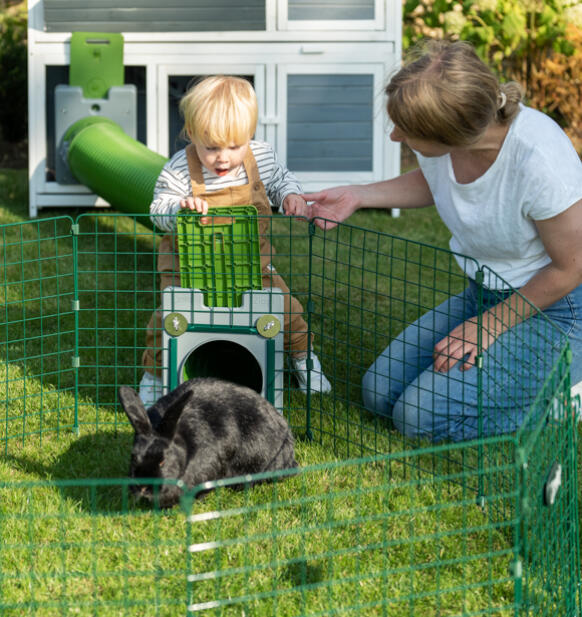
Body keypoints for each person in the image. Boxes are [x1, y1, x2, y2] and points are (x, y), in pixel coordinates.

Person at [302, 40, 582, 443]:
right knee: (380, 394)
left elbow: (571, 267)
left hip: (556, 308)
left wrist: (487, 327)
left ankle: (562, 398)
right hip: (484, 292)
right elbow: (441, 181)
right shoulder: (452, 141)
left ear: (452, 134)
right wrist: (360, 195)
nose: (396, 135)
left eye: (406, 130)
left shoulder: (539, 161)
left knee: (419, 418)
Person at [139, 75, 331, 406]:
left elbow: (282, 179)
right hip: (188, 267)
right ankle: (154, 375)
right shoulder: (180, 170)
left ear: (249, 137)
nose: (223, 158)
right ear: (192, 133)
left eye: (234, 146)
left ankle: (303, 360)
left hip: (251, 263)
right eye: (211, 148)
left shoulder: (261, 158)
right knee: (169, 320)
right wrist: (179, 208)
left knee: (286, 309)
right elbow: (157, 211)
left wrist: (290, 195)